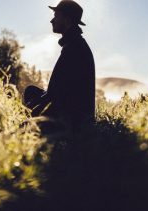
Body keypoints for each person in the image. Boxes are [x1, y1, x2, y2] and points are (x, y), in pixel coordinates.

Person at [24, 0, 95, 133]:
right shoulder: (75, 44)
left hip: (72, 120)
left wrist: (28, 110)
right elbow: (59, 89)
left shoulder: (74, 48)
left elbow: (56, 94)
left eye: (56, 16)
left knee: (31, 95)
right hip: (74, 114)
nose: (52, 20)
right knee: (32, 92)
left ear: (67, 20)